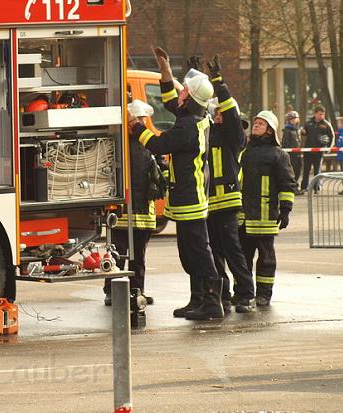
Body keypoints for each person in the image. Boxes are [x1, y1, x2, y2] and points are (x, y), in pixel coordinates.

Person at [129, 47, 223, 321]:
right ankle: (198, 300)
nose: (180, 92)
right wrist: (166, 70)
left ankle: (211, 302)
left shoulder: (188, 126)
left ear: (190, 97)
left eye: (184, 90)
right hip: (187, 197)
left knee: (198, 253)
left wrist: (136, 126)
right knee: (190, 253)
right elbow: (171, 101)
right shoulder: (193, 116)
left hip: (190, 198)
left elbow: (159, 144)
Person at [202, 54, 256, 314]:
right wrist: (194, 74)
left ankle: (246, 294)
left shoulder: (235, 137)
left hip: (228, 202)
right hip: (209, 204)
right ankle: (223, 294)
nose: (218, 113)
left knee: (233, 251)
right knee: (215, 254)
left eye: (221, 111)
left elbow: (231, 111)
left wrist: (219, 81)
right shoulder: (210, 134)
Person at [104, 99, 161, 306]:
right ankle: (120, 291)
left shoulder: (144, 147)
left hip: (138, 213)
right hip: (126, 213)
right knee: (123, 255)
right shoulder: (131, 147)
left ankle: (132, 291)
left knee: (132, 256)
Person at [240, 110, 297, 306]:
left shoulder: (278, 155)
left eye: (261, 123)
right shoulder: (245, 152)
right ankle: (243, 293)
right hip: (244, 215)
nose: (255, 125)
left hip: (266, 214)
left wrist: (286, 210)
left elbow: (287, 184)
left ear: (270, 131)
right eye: (255, 122)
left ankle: (264, 294)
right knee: (242, 258)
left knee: (266, 258)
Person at [300, 105, 334, 192]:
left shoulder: (326, 124)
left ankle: (317, 188)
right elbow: (304, 133)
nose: (321, 116)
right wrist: (302, 132)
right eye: (319, 114)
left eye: (323, 114)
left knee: (317, 170)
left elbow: (332, 136)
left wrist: (328, 148)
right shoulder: (308, 123)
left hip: (319, 151)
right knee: (306, 169)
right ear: (315, 113)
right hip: (308, 150)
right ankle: (304, 187)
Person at [282, 111, 303, 194]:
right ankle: (293, 187)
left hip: (298, 154)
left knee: (298, 170)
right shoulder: (287, 130)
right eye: (292, 119)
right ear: (289, 120)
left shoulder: (297, 129)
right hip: (292, 155)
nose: (294, 120)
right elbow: (285, 142)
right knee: (293, 171)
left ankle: (296, 186)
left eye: (295, 118)